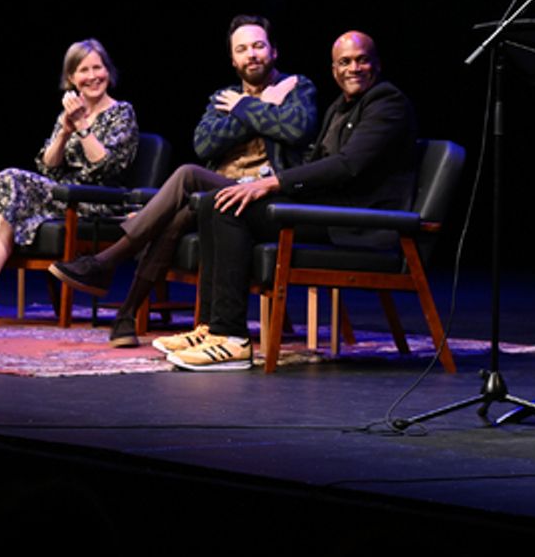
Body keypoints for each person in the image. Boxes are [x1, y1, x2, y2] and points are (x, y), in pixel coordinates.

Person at [49, 15, 317, 348]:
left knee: (188, 174)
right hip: (221, 195)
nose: (252, 54)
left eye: (258, 46)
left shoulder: (296, 87)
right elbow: (205, 143)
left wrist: (246, 107)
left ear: (273, 52)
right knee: (175, 219)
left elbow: (295, 128)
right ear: (233, 59)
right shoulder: (223, 96)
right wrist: (263, 106)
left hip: (266, 196)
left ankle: (106, 263)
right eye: (242, 49)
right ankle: (125, 315)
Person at [163, 30, 416, 371]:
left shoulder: (388, 103)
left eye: (361, 60)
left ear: (377, 64)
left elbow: (348, 165)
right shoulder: (341, 107)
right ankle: (210, 328)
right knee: (216, 201)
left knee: (229, 210)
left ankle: (232, 338)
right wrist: (260, 184)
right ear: (334, 70)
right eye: (345, 62)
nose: (353, 68)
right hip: (330, 213)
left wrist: (272, 183)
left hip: (359, 223)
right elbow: (316, 161)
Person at [0, 39, 138, 328]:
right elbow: (47, 165)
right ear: (71, 78)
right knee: (8, 207)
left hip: (98, 201)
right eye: (84, 70)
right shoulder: (68, 114)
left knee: (10, 178)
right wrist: (65, 130)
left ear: (109, 72)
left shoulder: (122, 112)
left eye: (99, 67)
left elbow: (105, 167)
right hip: (61, 197)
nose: (93, 76)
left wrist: (83, 128)